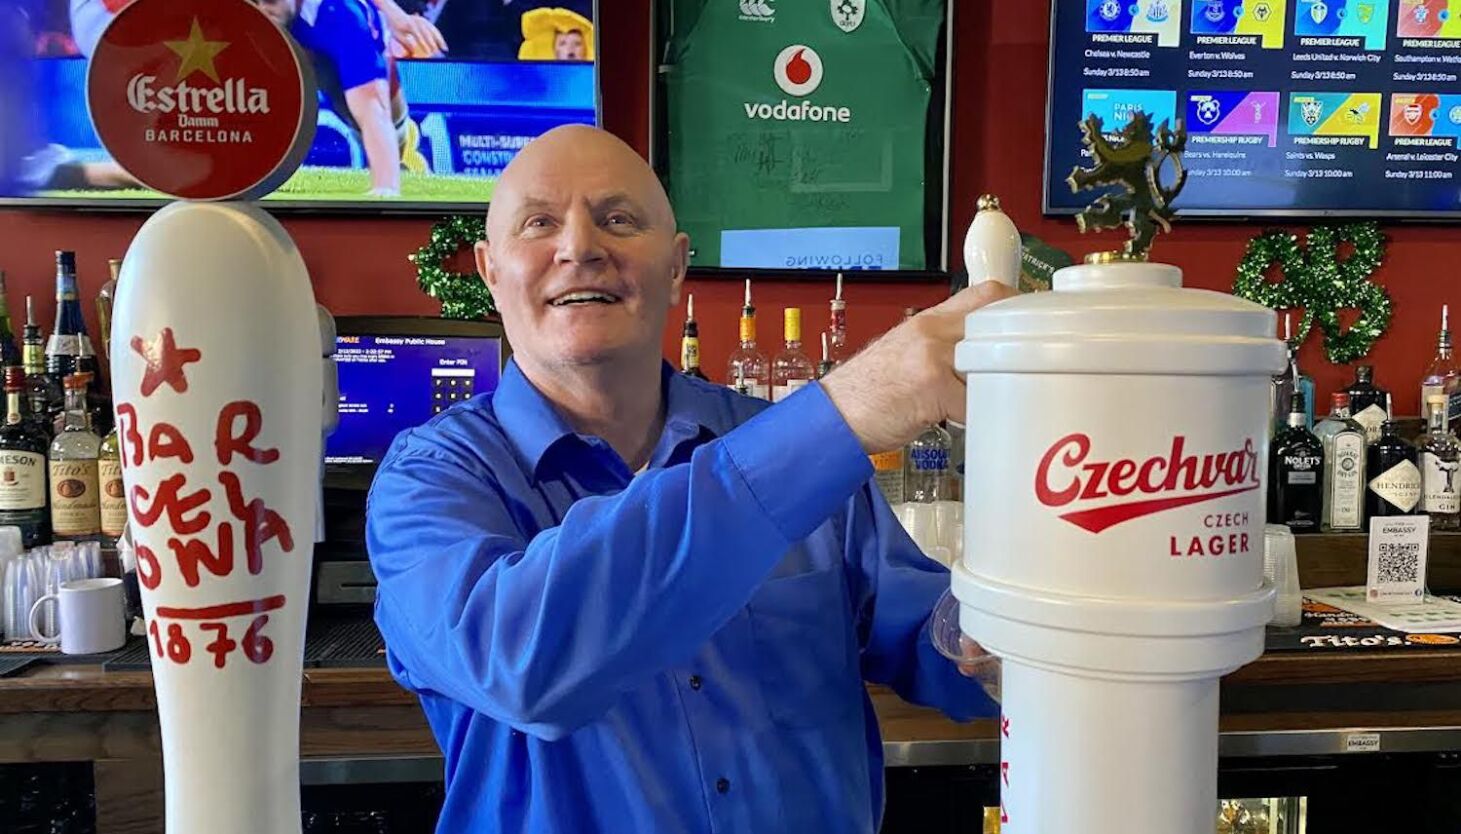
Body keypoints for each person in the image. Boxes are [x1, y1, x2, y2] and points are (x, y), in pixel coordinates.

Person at [366, 125, 1014, 833]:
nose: (579, 247)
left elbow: (928, 638)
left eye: (617, 219)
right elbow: (522, 666)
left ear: (676, 267)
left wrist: (1006, 640)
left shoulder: (797, 450)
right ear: (491, 270)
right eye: (539, 223)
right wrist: (844, 411)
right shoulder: (428, 479)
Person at [252, 0, 444, 196]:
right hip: (300, 41)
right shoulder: (252, 16)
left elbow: (372, 109)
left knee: (373, 110)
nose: (262, 9)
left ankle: (401, 147)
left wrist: (385, 190)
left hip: (346, 33)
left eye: (269, 0)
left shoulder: (342, 16)